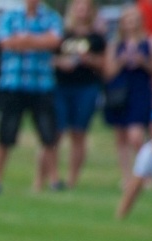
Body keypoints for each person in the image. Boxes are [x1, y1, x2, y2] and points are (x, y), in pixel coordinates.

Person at [0, 0, 63, 193]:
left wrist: (24, 40)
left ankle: (54, 180)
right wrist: (38, 41)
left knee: (49, 135)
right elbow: (5, 42)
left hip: (42, 84)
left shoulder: (51, 17)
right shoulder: (10, 16)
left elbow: (55, 41)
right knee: (5, 134)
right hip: (13, 84)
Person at [104, 6, 152, 184]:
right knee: (121, 137)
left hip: (140, 90)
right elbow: (107, 72)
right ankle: (126, 177)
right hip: (120, 92)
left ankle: (147, 173)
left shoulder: (151, 42)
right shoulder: (114, 44)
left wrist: (143, 62)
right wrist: (121, 61)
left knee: (136, 135)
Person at [53, 0, 107, 189]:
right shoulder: (62, 35)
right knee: (56, 132)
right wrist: (61, 63)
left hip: (86, 87)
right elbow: (50, 58)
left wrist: (89, 59)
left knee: (78, 132)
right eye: (78, 8)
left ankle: (72, 179)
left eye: (85, 8)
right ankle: (52, 177)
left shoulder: (97, 38)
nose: (81, 12)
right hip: (62, 87)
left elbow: (105, 65)